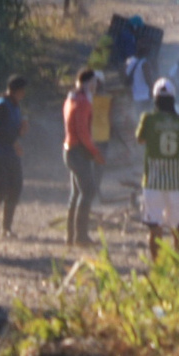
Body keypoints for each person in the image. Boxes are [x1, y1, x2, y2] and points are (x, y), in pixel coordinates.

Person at [136, 77, 179, 260]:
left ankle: (157, 266)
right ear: (173, 99)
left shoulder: (147, 119)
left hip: (152, 183)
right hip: (175, 184)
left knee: (155, 227)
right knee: (178, 227)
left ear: (155, 98)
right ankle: (178, 265)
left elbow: (140, 139)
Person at [63, 68, 105, 246]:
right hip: (78, 151)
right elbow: (82, 131)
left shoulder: (71, 98)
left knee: (77, 193)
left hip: (71, 149)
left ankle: (71, 235)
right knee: (88, 191)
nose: (96, 87)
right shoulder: (82, 102)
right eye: (95, 83)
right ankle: (80, 236)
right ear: (89, 83)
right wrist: (95, 152)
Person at [0, 75, 28, 238]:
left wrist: (20, 132)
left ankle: (7, 227)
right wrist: (13, 140)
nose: (24, 93)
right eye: (22, 90)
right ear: (15, 90)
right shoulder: (1, 104)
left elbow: (13, 130)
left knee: (16, 187)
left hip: (11, 152)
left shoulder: (15, 106)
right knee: (0, 189)